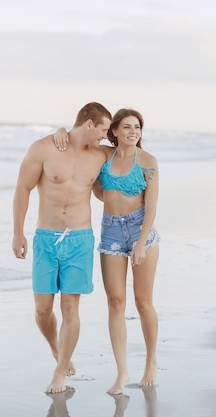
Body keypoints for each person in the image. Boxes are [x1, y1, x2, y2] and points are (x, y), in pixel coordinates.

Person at [54, 108, 160, 395]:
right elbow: (78, 141)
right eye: (126, 127)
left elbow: (151, 207)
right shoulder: (103, 156)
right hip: (111, 230)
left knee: (142, 302)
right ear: (113, 131)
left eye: (137, 127)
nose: (133, 132)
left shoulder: (148, 161)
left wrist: (140, 243)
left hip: (141, 231)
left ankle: (150, 360)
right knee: (115, 301)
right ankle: (122, 370)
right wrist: (61, 132)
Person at [12, 102, 112, 394]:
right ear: (89, 124)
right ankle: (58, 349)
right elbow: (22, 188)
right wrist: (18, 233)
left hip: (80, 239)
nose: (106, 137)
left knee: (70, 307)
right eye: (103, 130)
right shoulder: (43, 148)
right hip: (46, 238)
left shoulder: (102, 155)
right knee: (43, 310)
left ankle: (60, 372)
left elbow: (131, 147)